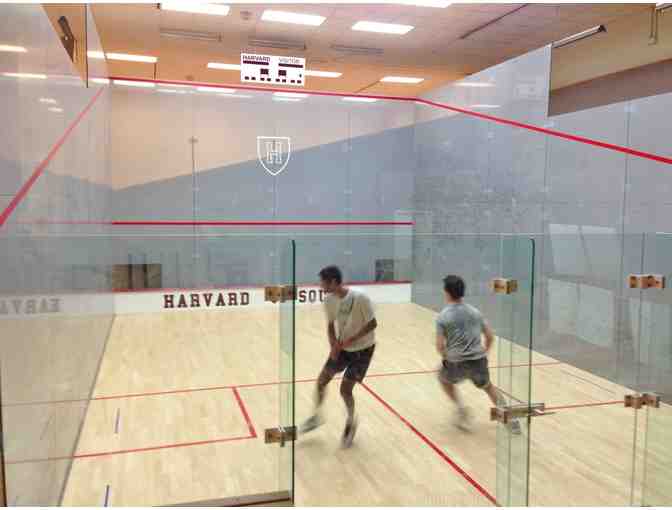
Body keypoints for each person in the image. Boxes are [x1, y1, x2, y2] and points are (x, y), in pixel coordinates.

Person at [300, 265, 378, 448]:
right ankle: (316, 416)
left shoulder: (360, 298)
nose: (321, 286)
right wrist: (333, 345)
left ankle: (351, 422)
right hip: (342, 349)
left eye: (323, 283)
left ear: (334, 282)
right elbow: (330, 325)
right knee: (321, 381)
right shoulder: (328, 300)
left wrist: (351, 340)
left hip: (363, 350)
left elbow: (373, 324)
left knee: (345, 390)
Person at [436, 274, 520, 434]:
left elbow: (440, 347)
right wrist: (483, 354)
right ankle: (511, 421)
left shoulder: (443, 316)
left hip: (455, 362)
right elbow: (490, 337)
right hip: (478, 360)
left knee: (443, 379)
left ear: (447, 293)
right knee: (488, 387)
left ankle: (461, 410)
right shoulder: (475, 312)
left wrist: (448, 357)